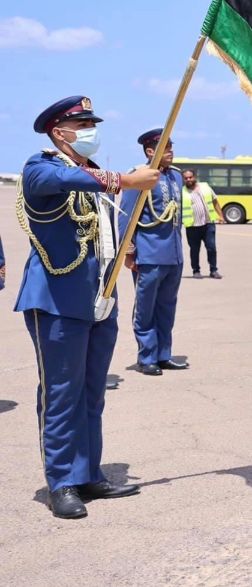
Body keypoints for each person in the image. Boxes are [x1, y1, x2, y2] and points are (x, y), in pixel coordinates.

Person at [14, 96, 159, 518]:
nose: (90, 131)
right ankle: (61, 482)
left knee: (92, 393)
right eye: (82, 125)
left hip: (100, 298)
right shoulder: (41, 166)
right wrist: (127, 180)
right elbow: (58, 180)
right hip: (57, 300)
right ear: (59, 132)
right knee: (61, 394)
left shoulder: (89, 174)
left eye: (91, 124)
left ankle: (89, 473)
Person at [119, 129, 187, 376]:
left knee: (167, 307)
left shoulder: (175, 176)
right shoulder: (138, 176)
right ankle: (146, 357)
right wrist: (128, 252)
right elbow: (126, 215)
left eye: (171, 146)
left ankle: (163, 355)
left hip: (173, 253)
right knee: (145, 308)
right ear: (150, 151)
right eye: (165, 147)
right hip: (148, 253)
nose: (171, 151)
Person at [181, 169, 224, 279]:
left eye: (190, 177)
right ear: (183, 179)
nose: (188, 180)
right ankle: (196, 271)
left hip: (208, 224)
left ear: (194, 177)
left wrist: (221, 216)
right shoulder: (182, 192)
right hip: (192, 226)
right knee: (194, 250)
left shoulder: (205, 187)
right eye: (186, 178)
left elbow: (215, 201)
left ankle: (213, 270)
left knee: (211, 247)